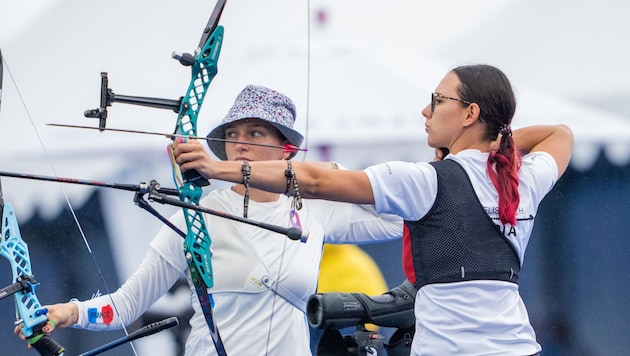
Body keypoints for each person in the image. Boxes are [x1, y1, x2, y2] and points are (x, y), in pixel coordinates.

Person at [172, 64, 574, 355]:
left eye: (437, 100)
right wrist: (491, 148)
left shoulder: (427, 180)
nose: (426, 110)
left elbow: (313, 182)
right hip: (519, 347)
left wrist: (213, 166)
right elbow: (560, 134)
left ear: (470, 114)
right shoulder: (523, 180)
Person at [16, 85, 402, 355]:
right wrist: (65, 313)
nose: (240, 143)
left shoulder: (311, 207)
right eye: (233, 133)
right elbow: (124, 307)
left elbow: (396, 220)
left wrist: (318, 174)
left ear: (286, 148)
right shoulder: (194, 217)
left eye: (255, 132)